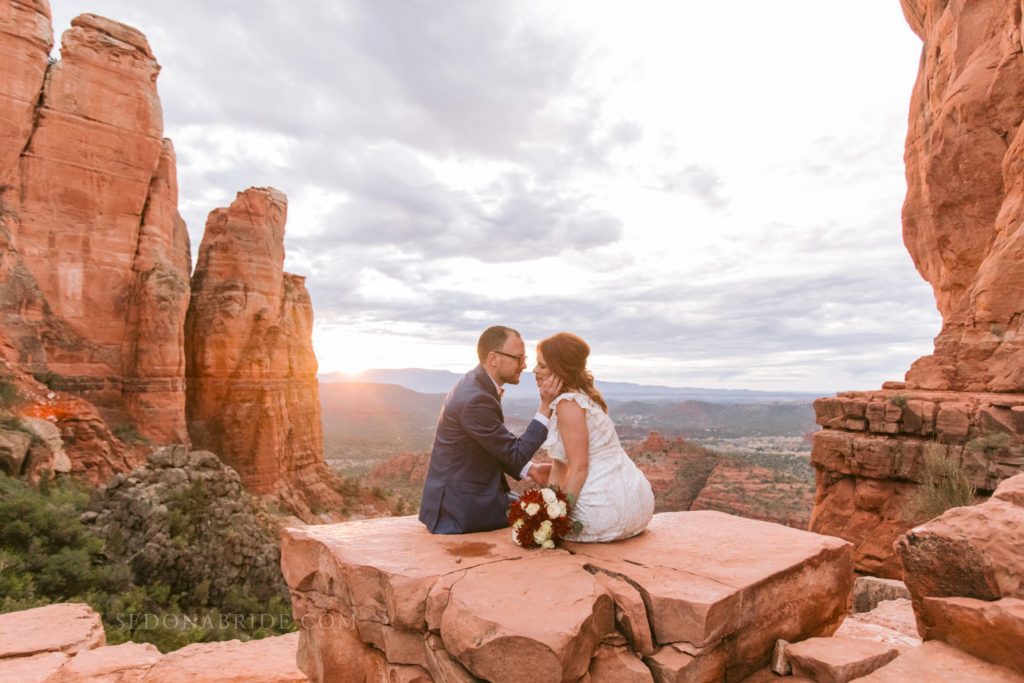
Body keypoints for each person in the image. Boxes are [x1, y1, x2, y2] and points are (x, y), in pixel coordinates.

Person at [419, 326, 563, 534]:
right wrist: (545, 406)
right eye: (519, 358)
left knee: (540, 508)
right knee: (548, 518)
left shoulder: (476, 384)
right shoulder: (476, 399)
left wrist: (531, 469)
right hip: (460, 510)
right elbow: (514, 453)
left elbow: (493, 444)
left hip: (463, 497)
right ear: (494, 358)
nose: (524, 366)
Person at [536, 332, 654, 542]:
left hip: (604, 510)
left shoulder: (568, 404)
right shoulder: (584, 396)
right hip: (639, 504)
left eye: (542, 366)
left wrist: (555, 520)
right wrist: (548, 507)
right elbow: (560, 465)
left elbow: (578, 468)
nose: (535, 370)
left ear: (559, 370)